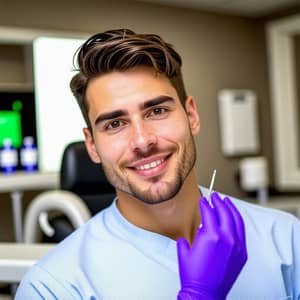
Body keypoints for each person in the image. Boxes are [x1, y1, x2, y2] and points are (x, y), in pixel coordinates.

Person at [15, 29, 300, 300]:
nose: (142, 140)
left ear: (191, 116)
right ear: (92, 145)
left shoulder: (286, 239)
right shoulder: (54, 287)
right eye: (115, 123)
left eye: (157, 111)